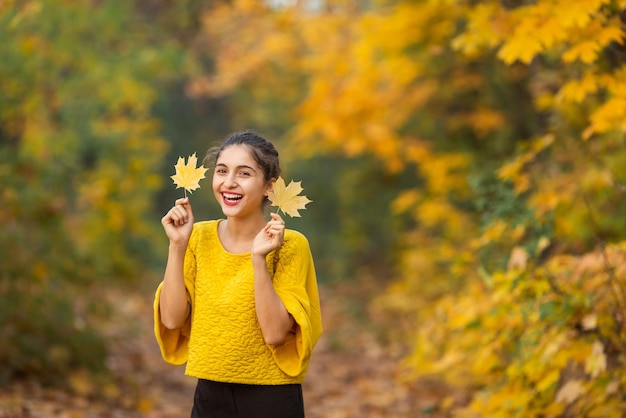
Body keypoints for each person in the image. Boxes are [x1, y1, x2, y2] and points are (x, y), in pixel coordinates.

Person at [154, 131, 322, 418]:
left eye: (244, 173)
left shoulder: (291, 245)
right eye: (222, 171)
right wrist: (177, 245)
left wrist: (259, 259)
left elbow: (274, 334)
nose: (229, 182)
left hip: (271, 396)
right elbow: (171, 319)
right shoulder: (196, 238)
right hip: (209, 392)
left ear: (269, 186)